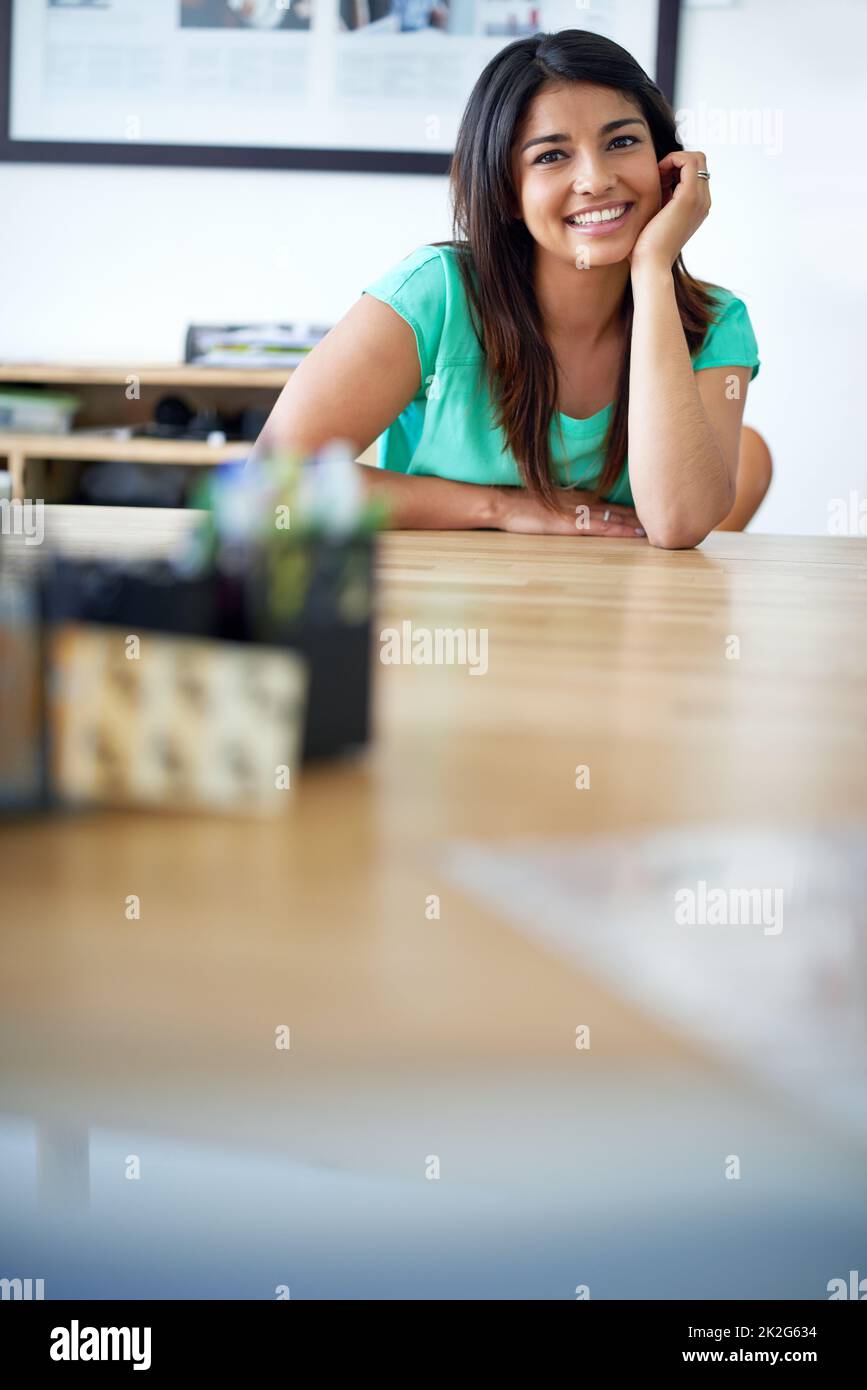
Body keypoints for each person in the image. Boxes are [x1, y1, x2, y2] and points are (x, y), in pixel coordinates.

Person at [254, 30, 771, 547]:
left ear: (666, 165)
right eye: (551, 156)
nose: (595, 179)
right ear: (507, 190)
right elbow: (271, 486)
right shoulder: (436, 295)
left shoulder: (715, 322)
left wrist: (654, 271)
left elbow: (677, 524)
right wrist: (501, 507)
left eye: (622, 142)